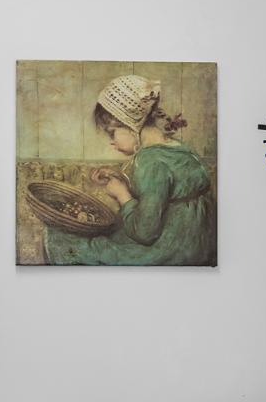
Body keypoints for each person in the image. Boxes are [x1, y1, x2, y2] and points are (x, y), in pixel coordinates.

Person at [45, 74, 215, 266]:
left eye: (112, 133)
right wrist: (122, 179)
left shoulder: (150, 161)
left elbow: (145, 233)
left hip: (171, 249)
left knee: (67, 241)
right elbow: (164, 194)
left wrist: (122, 195)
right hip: (197, 242)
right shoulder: (177, 147)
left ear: (130, 126)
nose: (112, 141)